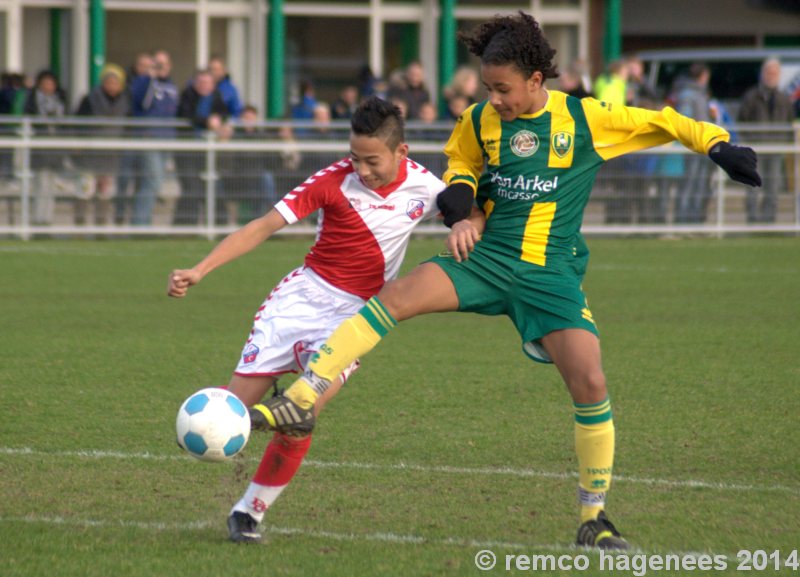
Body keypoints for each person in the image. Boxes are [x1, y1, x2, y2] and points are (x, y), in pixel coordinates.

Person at [254, 11, 761, 550]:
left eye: (503, 89)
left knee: (590, 382)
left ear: (536, 81)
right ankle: (305, 394)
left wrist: (716, 145)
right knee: (396, 297)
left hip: (550, 272)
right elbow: (461, 162)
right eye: (487, 88)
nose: (494, 99)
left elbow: (662, 120)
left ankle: (594, 518)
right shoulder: (478, 120)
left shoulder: (585, 119)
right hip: (487, 257)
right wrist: (462, 201)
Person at [166, 96, 479, 543]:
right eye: (355, 157)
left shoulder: (426, 188)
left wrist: (467, 224)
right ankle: (240, 425)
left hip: (355, 318)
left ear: (401, 153)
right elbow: (262, 226)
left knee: (301, 410)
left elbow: (468, 209)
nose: (362, 169)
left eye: (372, 161)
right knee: (228, 415)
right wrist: (200, 269)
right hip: (298, 302)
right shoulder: (332, 181)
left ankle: (248, 512)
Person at [737, 58, 794, 223]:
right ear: (762, 74)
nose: (771, 76)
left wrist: (785, 144)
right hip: (755, 150)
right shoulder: (751, 97)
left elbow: (789, 123)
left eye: (775, 73)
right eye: (768, 72)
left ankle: (769, 221)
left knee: (773, 187)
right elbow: (742, 121)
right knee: (753, 185)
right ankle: (753, 220)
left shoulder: (784, 99)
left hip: (775, 150)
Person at [74, 63, 130, 226]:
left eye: (115, 82)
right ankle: (80, 224)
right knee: (85, 189)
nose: (112, 86)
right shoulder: (90, 99)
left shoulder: (125, 102)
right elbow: (79, 123)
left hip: (111, 153)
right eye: (109, 82)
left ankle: (101, 224)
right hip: (90, 153)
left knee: (105, 191)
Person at [172, 68, 229, 226]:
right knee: (191, 188)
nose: (204, 86)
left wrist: (221, 123)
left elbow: (224, 114)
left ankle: (219, 225)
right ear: (195, 83)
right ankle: (184, 226)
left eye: (207, 82)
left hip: (209, 153)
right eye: (201, 82)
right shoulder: (187, 96)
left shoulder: (217, 97)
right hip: (188, 152)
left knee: (212, 187)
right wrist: (207, 122)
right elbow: (187, 115)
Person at [130, 49, 179, 225]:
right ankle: (139, 224)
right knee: (154, 181)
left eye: (164, 63)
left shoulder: (172, 87)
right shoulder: (143, 82)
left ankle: (144, 222)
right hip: (149, 139)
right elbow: (143, 103)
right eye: (157, 63)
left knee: (152, 183)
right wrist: (151, 78)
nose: (161, 67)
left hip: (167, 141)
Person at [673, 62, 713, 224]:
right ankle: (684, 219)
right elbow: (685, 121)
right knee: (689, 183)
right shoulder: (689, 95)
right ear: (703, 76)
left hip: (702, 146)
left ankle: (695, 219)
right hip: (693, 147)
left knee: (699, 183)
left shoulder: (700, 94)